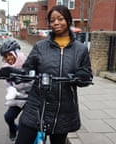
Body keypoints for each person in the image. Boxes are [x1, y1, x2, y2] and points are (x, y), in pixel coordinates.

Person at [13, 5, 93, 144]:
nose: (56, 23)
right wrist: (15, 73)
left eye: (60, 19)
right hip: (37, 106)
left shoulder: (80, 50)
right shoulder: (40, 46)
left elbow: (87, 74)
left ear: (68, 20)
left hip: (63, 110)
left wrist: (82, 76)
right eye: (52, 20)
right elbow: (27, 68)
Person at [0, 39, 32, 141]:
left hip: (30, 98)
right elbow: (8, 85)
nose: (8, 58)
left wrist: (21, 77)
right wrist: (11, 90)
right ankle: (13, 129)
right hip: (18, 97)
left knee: (25, 123)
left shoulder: (28, 63)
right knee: (8, 117)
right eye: (5, 56)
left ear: (16, 53)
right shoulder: (6, 69)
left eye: (10, 54)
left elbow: (34, 80)